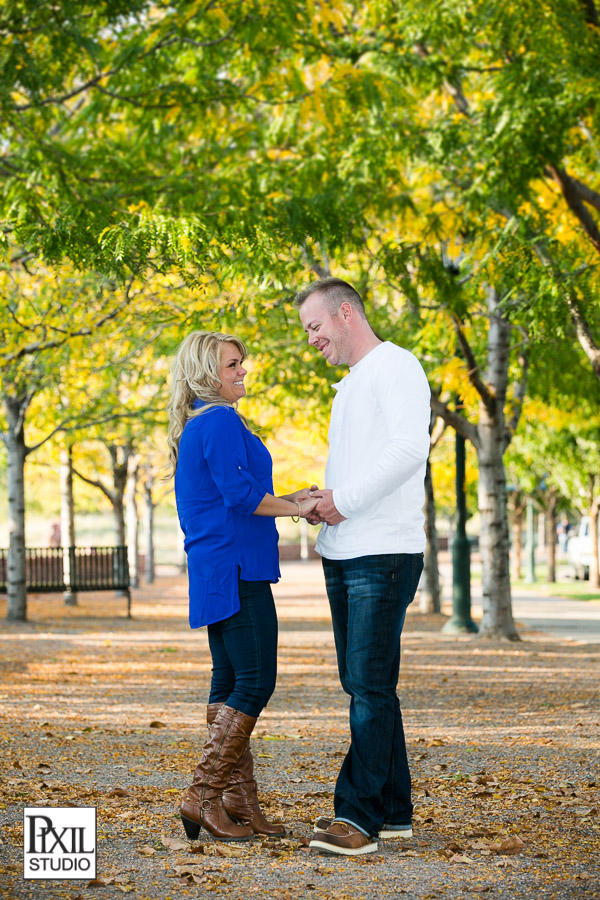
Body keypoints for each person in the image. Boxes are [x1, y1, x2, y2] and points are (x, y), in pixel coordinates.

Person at [296, 277, 431, 856]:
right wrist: (327, 499)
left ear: (345, 313)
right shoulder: (348, 386)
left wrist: (342, 501)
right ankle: (394, 810)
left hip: (383, 552)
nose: (312, 340)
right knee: (366, 684)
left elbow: (408, 450)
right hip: (345, 549)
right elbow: (360, 466)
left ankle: (357, 818)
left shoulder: (398, 366)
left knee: (369, 689)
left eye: (315, 327)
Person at [167, 331, 318, 843]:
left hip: (215, 565)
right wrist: (300, 507)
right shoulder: (222, 420)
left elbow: (238, 492)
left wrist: (291, 497)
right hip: (236, 565)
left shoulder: (200, 425)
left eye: (241, 363)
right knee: (255, 681)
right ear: (207, 373)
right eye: (232, 365)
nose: (242, 371)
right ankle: (202, 794)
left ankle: (238, 800)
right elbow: (240, 496)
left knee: (228, 679)